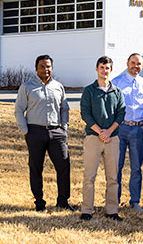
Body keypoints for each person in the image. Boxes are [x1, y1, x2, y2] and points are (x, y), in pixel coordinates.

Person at [14, 55, 73, 212]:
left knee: (64, 165)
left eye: (48, 66)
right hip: (35, 132)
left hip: (56, 132)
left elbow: (64, 108)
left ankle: (63, 201)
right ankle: (39, 202)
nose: (45, 69)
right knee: (36, 168)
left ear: (51, 68)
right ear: (36, 68)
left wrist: (64, 128)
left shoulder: (58, 86)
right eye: (42, 66)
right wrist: (25, 131)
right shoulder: (27, 87)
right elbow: (19, 110)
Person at [80, 56, 126, 221]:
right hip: (93, 137)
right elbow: (85, 113)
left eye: (107, 68)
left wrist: (109, 131)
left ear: (111, 70)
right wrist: (100, 131)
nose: (104, 71)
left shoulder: (117, 92)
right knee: (89, 176)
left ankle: (112, 211)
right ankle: (86, 210)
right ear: (97, 69)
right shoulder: (89, 90)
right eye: (101, 67)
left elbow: (121, 113)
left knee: (113, 177)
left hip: (112, 139)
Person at [112, 53, 143, 211]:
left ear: (142, 66)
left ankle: (135, 201)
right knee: (117, 166)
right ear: (127, 63)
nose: (135, 66)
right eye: (133, 63)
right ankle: (114, 200)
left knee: (136, 167)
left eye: (138, 64)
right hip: (120, 129)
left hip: (138, 129)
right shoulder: (117, 82)